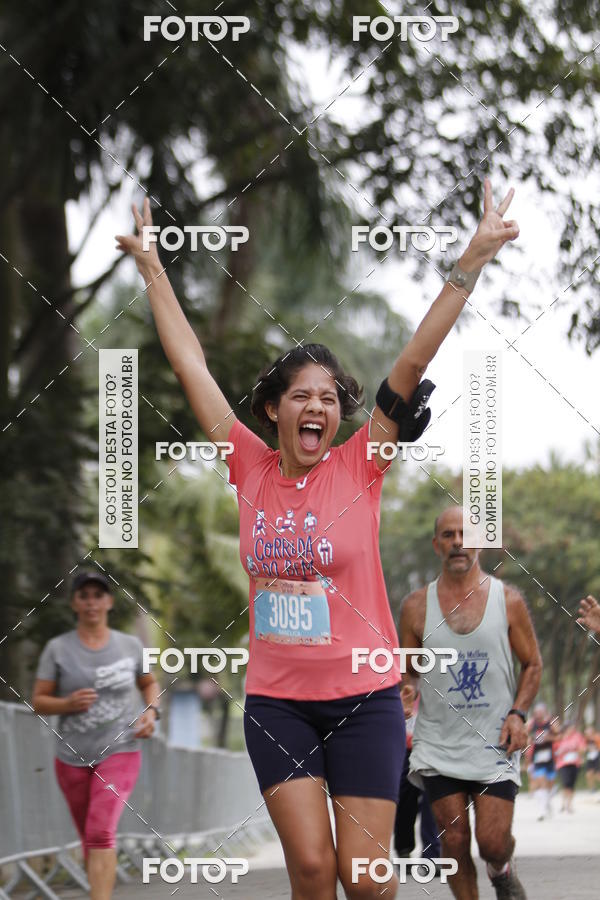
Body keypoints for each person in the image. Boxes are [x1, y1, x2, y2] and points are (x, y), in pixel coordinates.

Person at [116, 177, 519, 899]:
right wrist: (151, 267)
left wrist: (475, 255)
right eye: (301, 394)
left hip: (364, 699)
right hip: (277, 703)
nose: (318, 405)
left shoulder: (363, 465)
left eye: (330, 397)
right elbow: (190, 366)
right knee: (309, 870)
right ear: (273, 409)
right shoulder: (248, 464)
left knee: (365, 880)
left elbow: (414, 361)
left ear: (340, 417)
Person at [400, 506, 542, 900]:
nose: (458, 542)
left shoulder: (508, 600)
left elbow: (532, 663)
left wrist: (519, 714)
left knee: (493, 842)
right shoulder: (415, 606)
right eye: (448, 534)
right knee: (455, 841)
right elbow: (408, 672)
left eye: (465, 534)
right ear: (436, 544)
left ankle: (502, 870)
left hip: (495, 741)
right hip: (438, 743)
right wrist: (406, 688)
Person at [32, 572, 160, 900]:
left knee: (101, 831)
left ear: (109, 602)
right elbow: (39, 701)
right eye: (84, 595)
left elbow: (149, 682)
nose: (91, 602)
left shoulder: (130, 645)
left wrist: (151, 712)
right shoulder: (57, 649)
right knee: (90, 836)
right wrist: (67, 703)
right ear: (75, 603)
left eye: (98, 595)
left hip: (121, 749)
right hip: (71, 757)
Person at [395, 686, 441, 871]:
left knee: (432, 801)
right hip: (404, 749)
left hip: (432, 747)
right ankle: (404, 849)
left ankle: (432, 856)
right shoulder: (399, 679)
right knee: (405, 801)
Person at [527, 702, 560, 821]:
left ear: (545, 712)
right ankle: (541, 811)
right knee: (541, 782)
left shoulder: (551, 723)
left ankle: (548, 804)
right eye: (536, 712)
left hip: (550, 758)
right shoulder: (531, 723)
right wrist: (530, 740)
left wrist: (548, 738)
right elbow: (525, 735)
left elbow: (559, 737)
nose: (538, 714)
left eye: (540, 712)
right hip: (538, 758)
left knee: (550, 786)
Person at [555, 721, 586, 812]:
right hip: (563, 764)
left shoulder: (577, 736)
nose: (571, 730)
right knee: (566, 783)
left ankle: (569, 804)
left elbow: (582, 748)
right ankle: (563, 803)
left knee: (571, 785)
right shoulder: (560, 737)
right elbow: (556, 750)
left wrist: (577, 751)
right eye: (569, 728)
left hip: (575, 763)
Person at [583, 725, 600, 792]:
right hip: (590, 757)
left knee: (597, 774)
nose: (587, 733)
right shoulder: (586, 739)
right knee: (588, 774)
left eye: (589, 731)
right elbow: (584, 748)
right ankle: (592, 788)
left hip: (597, 756)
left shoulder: (597, 737)